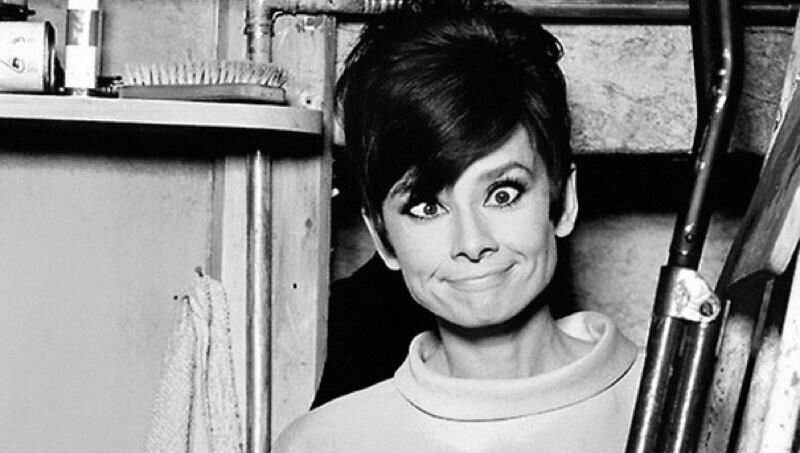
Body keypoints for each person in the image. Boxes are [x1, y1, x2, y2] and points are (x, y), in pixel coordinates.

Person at [274, 1, 642, 451]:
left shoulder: (690, 407)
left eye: (503, 194)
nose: (472, 242)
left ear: (563, 201)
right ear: (382, 239)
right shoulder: (324, 444)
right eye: (427, 207)